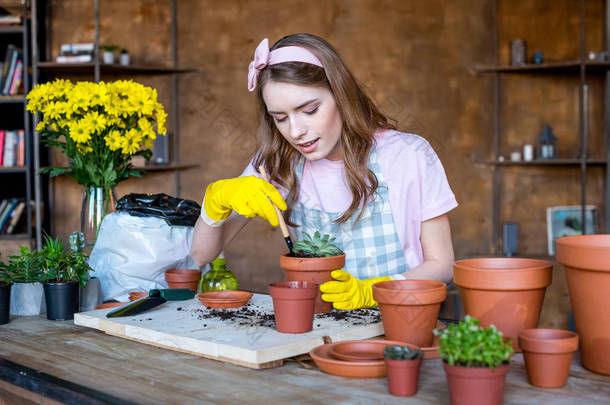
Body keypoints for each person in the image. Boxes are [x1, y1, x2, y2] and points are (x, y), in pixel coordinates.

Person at [191, 34, 457, 310]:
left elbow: (442, 266)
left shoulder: (408, 155)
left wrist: (371, 292)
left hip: (400, 323)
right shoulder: (276, 162)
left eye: (310, 110)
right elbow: (200, 255)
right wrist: (214, 205)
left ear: (341, 95)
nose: (295, 132)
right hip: (318, 330)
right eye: (280, 118)